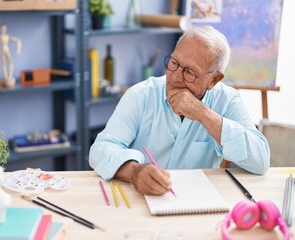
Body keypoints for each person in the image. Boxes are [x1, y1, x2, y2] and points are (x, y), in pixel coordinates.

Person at [89, 26, 270, 195]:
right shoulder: (141, 94)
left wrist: (203, 114)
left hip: (195, 199)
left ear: (214, 80)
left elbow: (260, 161)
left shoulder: (227, 100)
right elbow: (100, 150)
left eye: (189, 72)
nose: (174, 77)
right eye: (174, 62)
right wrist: (134, 172)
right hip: (140, 198)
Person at [0, 18, 21, 88]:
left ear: (6, 29)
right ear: (1, 29)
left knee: (10, 63)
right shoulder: (0, 37)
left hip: (5, 49)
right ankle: (6, 77)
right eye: (2, 28)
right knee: (5, 64)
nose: (3, 29)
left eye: (4, 28)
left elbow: (17, 40)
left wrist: (19, 49)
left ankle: (9, 76)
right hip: (4, 49)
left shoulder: (7, 36)